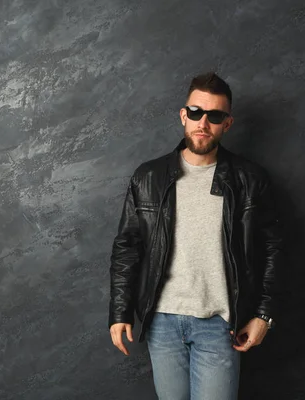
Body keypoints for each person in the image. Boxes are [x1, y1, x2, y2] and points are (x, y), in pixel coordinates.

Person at [108, 71, 285, 399]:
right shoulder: (148, 177)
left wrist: (264, 314)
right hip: (162, 324)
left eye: (214, 115)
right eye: (195, 112)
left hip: (219, 326)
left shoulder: (250, 180)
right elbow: (127, 247)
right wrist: (119, 312)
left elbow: (273, 250)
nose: (203, 122)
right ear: (183, 116)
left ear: (227, 124)